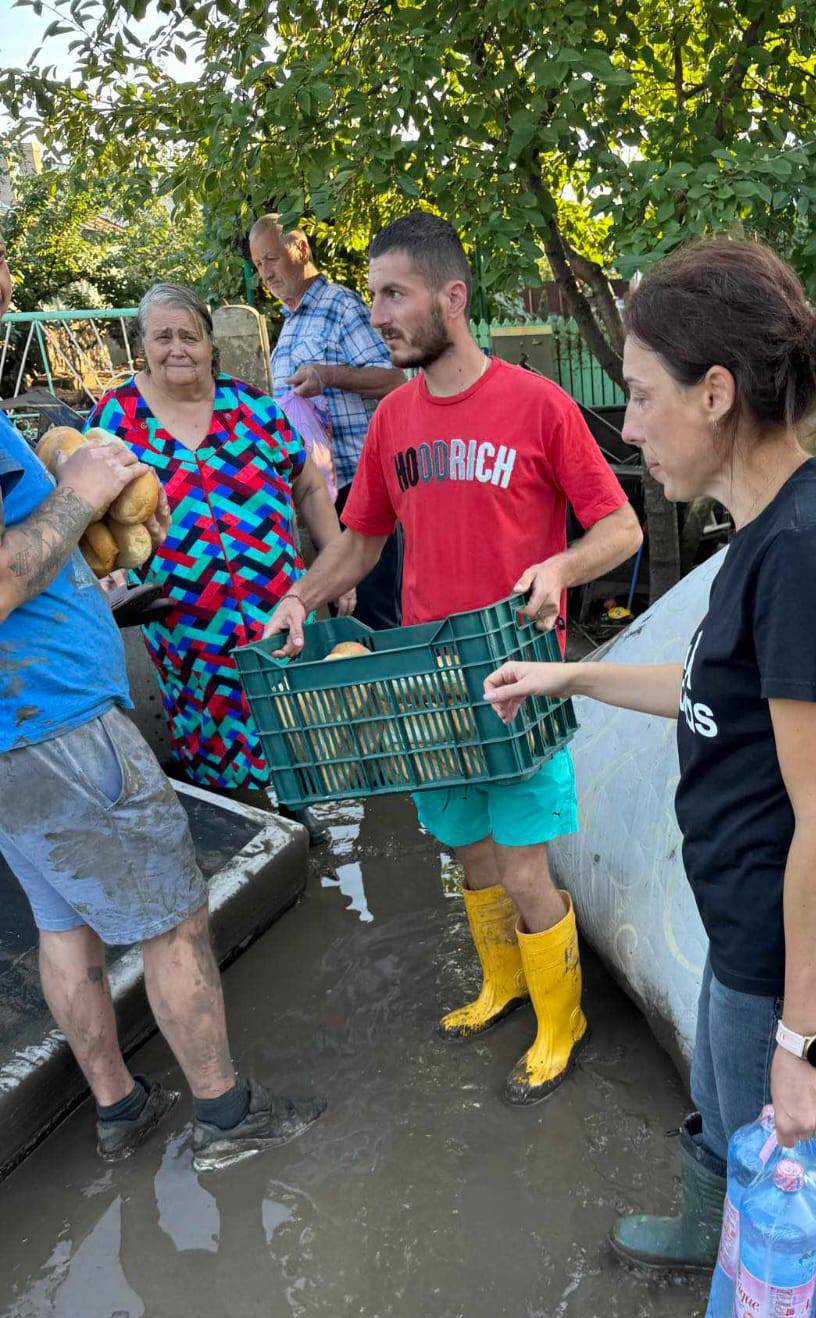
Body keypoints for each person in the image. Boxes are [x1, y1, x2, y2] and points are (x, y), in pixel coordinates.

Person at [483, 237, 816, 1318]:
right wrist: (570, 670)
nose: (630, 424)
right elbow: (720, 690)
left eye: (642, 392)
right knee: (735, 1122)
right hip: (758, 938)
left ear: (717, 392)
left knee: (781, 1145)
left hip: (807, 961)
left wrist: (809, 1044)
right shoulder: (768, 533)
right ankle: (708, 1220)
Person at [262, 211, 643, 1104]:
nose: (379, 315)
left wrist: (560, 564)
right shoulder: (393, 419)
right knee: (469, 855)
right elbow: (357, 543)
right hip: (431, 684)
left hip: (519, 677)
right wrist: (296, 599)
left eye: (394, 294)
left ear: (452, 298)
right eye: (374, 295)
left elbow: (620, 528)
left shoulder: (539, 405)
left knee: (523, 866)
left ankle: (562, 1020)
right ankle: (504, 986)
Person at [0, 239, 324, 1172]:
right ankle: (227, 1118)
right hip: (56, 721)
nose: (13, 280)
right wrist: (78, 494)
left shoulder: (254, 418)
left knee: (65, 927)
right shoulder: (111, 425)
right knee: (174, 919)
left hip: (21, 733)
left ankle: (119, 1108)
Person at [88, 283, 350, 839]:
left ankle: (298, 819)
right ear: (143, 345)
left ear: (211, 344)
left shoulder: (252, 407)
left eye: (190, 335)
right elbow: (90, 513)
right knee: (211, 726)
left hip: (277, 602)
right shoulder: (117, 418)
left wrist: (335, 556)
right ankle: (248, 827)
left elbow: (307, 485)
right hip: (182, 616)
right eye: (162, 337)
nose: (177, 348)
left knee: (288, 714)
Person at [250, 214, 406, 629]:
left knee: (375, 617)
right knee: (346, 618)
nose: (265, 272)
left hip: (361, 491)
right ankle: (365, 692)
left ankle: (394, 691)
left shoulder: (341, 306)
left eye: (270, 258)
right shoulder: (292, 321)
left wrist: (329, 376)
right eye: (257, 264)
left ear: (300, 250)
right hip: (321, 497)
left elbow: (396, 379)